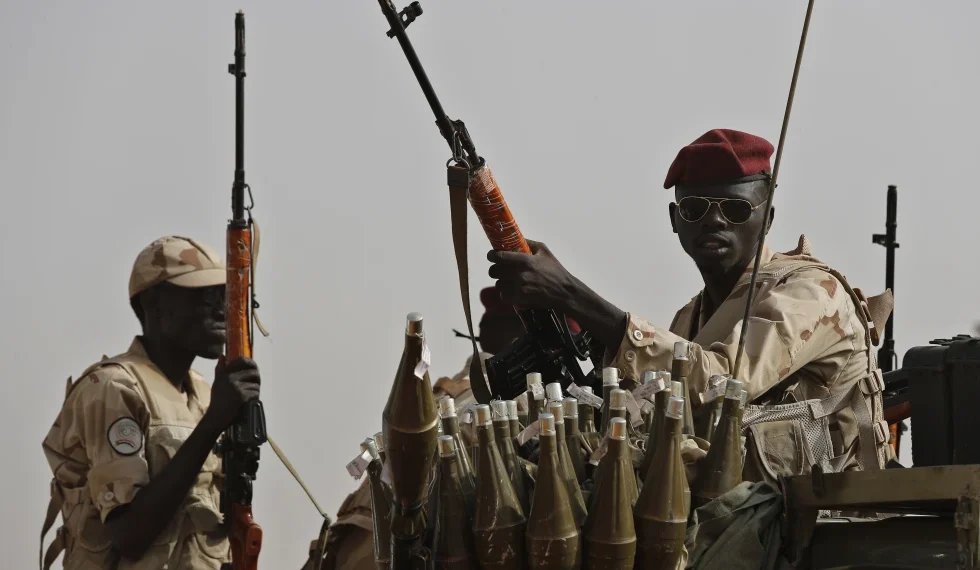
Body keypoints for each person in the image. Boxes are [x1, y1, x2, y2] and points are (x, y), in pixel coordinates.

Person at [486, 128, 894, 485]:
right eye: (695, 208)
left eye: (735, 209)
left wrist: (570, 294)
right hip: (739, 514)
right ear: (675, 219)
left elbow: (726, 382)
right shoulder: (692, 317)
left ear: (767, 218)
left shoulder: (811, 292)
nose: (714, 221)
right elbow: (657, 409)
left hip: (828, 520)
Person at [40, 235, 262, 570]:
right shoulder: (114, 388)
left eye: (223, 294)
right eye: (202, 295)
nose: (221, 307)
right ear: (154, 306)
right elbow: (130, 535)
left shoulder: (203, 393)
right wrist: (215, 421)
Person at [305, 285, 526, 570]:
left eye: (497, 318)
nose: (483, 323)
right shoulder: (466, 392)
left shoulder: (488, 398)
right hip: (377, 542)